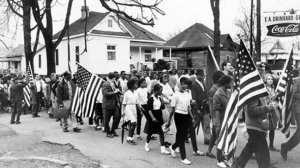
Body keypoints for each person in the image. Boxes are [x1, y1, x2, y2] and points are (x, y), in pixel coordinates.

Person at [232, 92, 278, 168]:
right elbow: (251, 111)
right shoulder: (253, 93)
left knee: (250, 149)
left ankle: (238, 165)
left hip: (258, 126)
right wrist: (268, 107)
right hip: (256, 127)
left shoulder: (257, 91)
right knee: (263, 153)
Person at [166, 77, 194, 165]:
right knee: (182, 137)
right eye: (183, 83)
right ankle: (183, 157)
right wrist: (168, 121)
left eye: (186, 84)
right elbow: (172, 109)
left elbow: (189, 107)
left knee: (185, 135)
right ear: (179, 84)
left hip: (186, 115)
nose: (185, 85)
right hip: (178, 116)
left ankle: (173, 147)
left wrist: (192, 117)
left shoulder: (187, 94)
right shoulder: (176, 95)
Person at [212, 75, 233, 168]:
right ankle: (219, 160)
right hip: (220, 120)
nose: (232, 84)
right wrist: (218, 125)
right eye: (230, 82)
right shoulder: (218, 94)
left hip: (226, 120)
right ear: (226, 83)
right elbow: (216, 110)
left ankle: (223, 158)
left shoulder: (227, 92)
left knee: (225, 140)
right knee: (219, 140)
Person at [145, 84, 171, 155]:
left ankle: (163, 149)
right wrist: (153, 117)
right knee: (150, 133)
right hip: (152, 117)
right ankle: (146, 145)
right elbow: (149, 109)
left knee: (161, 133)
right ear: (156, 91)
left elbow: (162, 108)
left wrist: (162, 103)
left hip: (159, 116)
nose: (161, 92)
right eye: (160, 90)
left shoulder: (159, 98)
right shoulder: (151, 99)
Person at [281, 70, 300, 160]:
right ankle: (286, 147)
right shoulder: (297, 80)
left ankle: (286, 146)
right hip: (298, 109)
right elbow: (294, 93)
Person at [205, 71, 224, 158]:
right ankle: (221, 154)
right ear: (218, 79)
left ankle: (209, 151)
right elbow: (212, 105)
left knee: (214, 134)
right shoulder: (214, 89)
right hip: (216, 115)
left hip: (218, 114)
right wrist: (214, 117)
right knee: (218, 133)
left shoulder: (219, 87)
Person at [190, 69, 211, 145]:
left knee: (207, 124)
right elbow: (194, 98)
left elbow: (207, 95)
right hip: (197, 108)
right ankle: (186, 135)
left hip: (205, 108)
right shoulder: (194, 85)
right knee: (194, 124)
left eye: (204, 76)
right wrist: (196, 109)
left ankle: (208, 139)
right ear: (197, 75)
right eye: (202, 76)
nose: (203, 77)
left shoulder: (204, 84)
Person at [102, 72, 121, 138]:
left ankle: (113, 130)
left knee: (117, 116)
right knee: (106, 120)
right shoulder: (105, 84)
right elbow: (105, 94)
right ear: (113, 78)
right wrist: (114, 92)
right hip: (107, 104)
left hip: (114, 104)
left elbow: (115, 95)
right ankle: (108, 132)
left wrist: (117, 101)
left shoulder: (113, 84)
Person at [122, 78, 140, 145]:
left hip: (134, 108)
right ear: (132, 85)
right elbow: (124, 104)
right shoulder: (127, 93)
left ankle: (129, 138)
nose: (137, 85)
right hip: (128, 108)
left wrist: (141, 110)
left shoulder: (136, 92)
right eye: (136, 84)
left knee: (132, 124)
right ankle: (129, 138)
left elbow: (137, 103)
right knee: (134, 123)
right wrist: (122, 112)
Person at [265, 73, 280, 152]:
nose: (270, 80)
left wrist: (276, 101)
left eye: (271, 79)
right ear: (266, 80)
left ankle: (271, 145)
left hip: (274, 110)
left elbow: (277, 99)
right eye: (268, 79)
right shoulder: (264, 89)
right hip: (266, 110)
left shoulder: (275, 88)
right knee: (264, 128)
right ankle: (262, 146)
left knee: (272, 128)